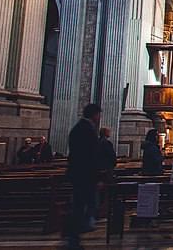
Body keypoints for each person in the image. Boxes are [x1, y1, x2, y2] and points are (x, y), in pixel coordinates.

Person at [66, 103, 102, 248]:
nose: (99, 118)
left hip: (78, 174)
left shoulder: (77, 128)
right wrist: (97, 177)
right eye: (98, 114)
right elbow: (91, 157)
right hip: (85, 175)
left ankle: (75, 233)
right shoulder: (87, 130)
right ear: (94, 115)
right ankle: (74, 235)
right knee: (82, 205)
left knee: (81, 205)